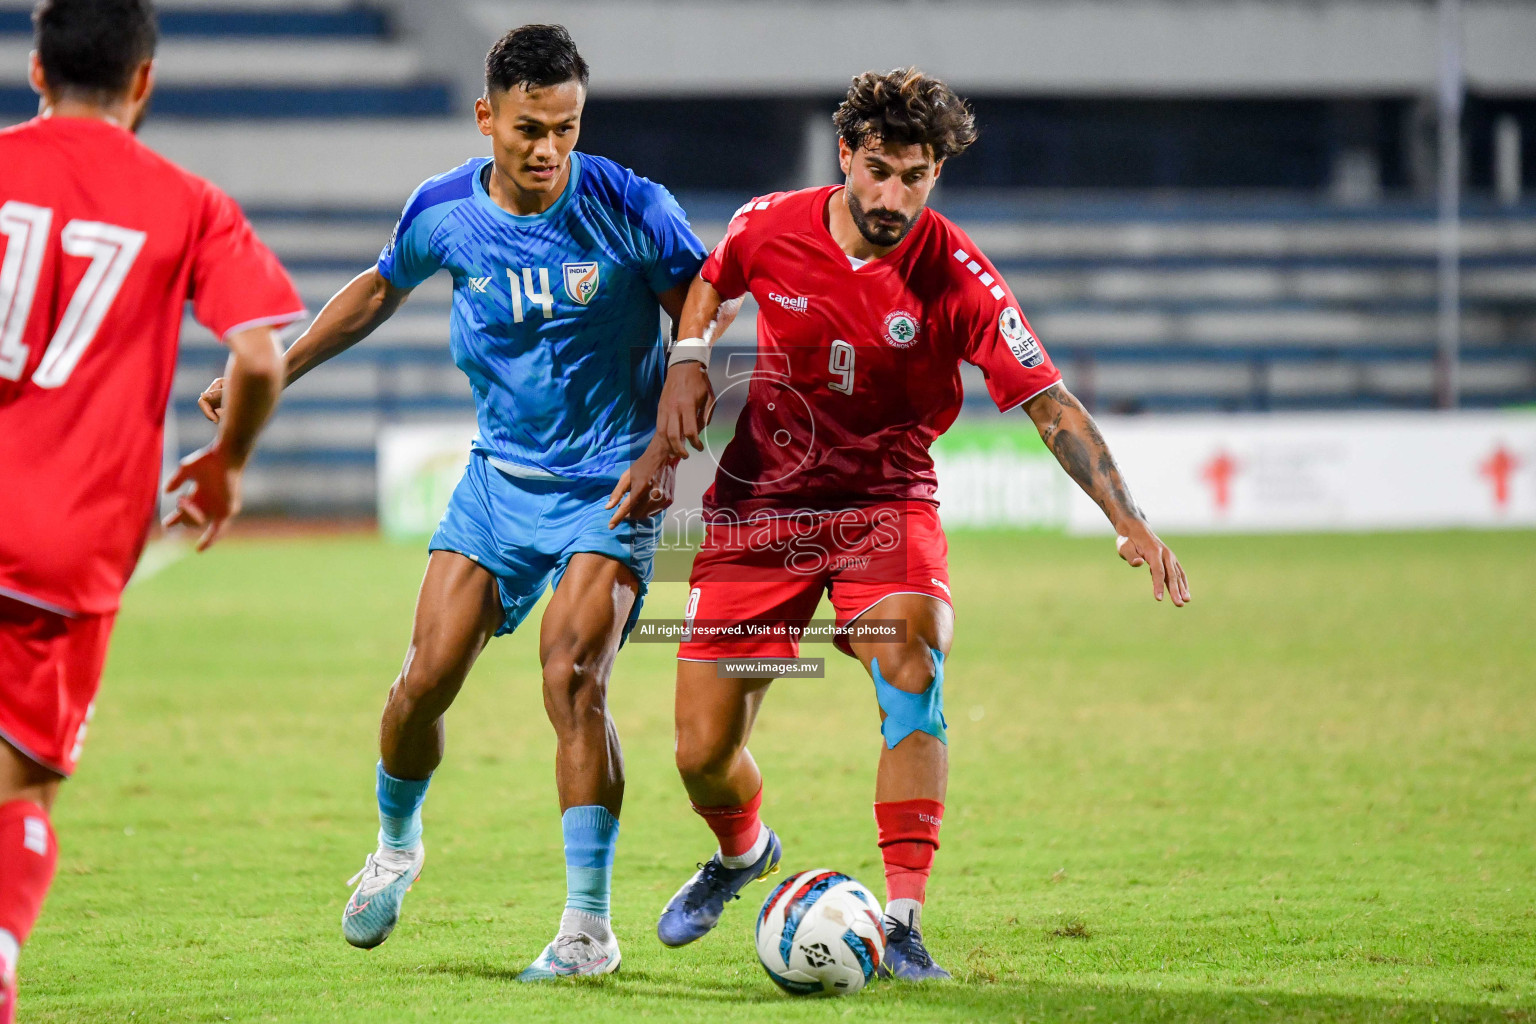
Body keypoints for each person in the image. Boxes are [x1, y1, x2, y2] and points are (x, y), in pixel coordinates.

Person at [608, 66, 1191, 982]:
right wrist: (688, 359)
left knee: (914, 660)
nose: (892, 195)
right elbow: (711, 288)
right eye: (877, 169)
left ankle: (906, 919)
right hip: (761, 509)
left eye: (915, 177)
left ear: (937, 175)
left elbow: (1049, 403)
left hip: (887, 507)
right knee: (701, 751)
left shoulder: (956, 274)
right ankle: (743, 853)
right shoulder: (768, 225)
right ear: (845, 154)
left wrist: (1132, 521)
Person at [199, 24, 718, 980]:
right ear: (487, 118)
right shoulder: (442, 210)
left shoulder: (630, 205)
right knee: (421, 684)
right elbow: (379, 289)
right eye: (528, 127)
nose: (548, 148)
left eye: (565, 126)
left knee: (573, 677)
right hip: (497, 483)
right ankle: (397, 849)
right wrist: (275, 372)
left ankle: (587, 929)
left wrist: (684, 376)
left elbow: (704, 288)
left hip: (609, 484)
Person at [0, 0, 302, 1018]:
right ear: (143, 84)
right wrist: (222, 464)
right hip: (64, 539)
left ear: (36, 71)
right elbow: (258, 351)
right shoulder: (185, 201)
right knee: (22, 789)